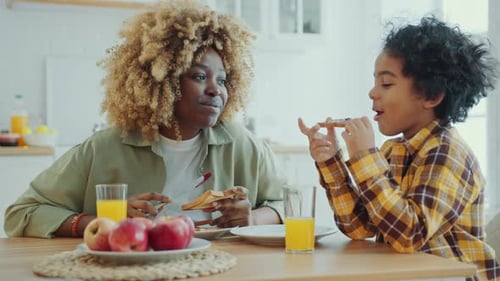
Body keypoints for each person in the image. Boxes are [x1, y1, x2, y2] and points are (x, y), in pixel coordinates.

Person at [4, 0, 286, 238]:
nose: (216, 89)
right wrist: (103, 222)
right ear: (161, 80)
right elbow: (22, 213)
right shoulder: (104, 149)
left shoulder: (242, 145)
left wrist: (254, 218)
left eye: (222, 80)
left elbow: (290, 203)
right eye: (200, 76)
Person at [298, 17, 499, 280]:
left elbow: (409, 234)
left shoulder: (448, 153)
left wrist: (365, 158)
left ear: (431, 96)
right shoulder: (395, 151)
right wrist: (332, 163)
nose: (372, 93)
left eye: (387, 84)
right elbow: (358, 227)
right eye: (375, 82)